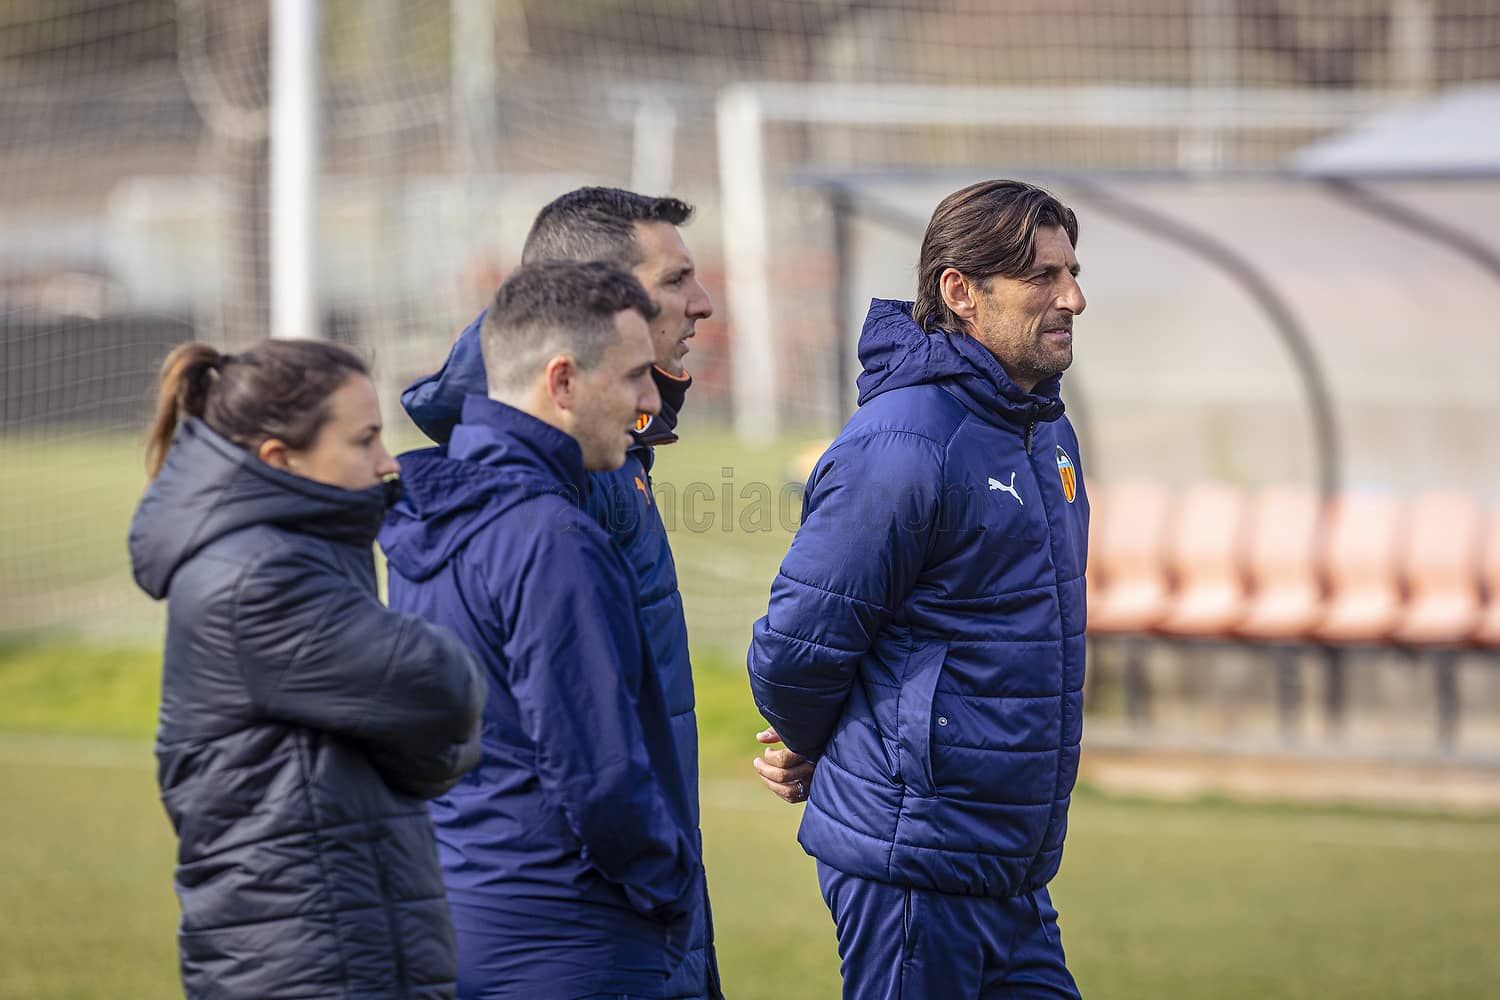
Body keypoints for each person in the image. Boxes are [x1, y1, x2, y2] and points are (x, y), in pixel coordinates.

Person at [747, 179, 1091, 999]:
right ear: (959, 291)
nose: (1072, 297)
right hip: (915, 864)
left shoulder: (1043, 429)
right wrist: (820, 739)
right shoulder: (904, 443)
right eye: (1042, 277)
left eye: (1072, 272)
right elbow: (795, 649)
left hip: (1007, 870)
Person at [401, 187, 722, 999]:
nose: (703, 302)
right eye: (676, 278)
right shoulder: (557, 493)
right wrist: (667, 875)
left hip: (531, 906)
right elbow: (592, 759)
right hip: (582, 913)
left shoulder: (538, 464)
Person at [128, 339, 487, 1000]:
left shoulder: (291, 550)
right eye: (365, 441)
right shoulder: (257, 577)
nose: (388, 464)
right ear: (279, 458)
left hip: (338, 938)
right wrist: (431, 734)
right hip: (302, 957)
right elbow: (446, 692)